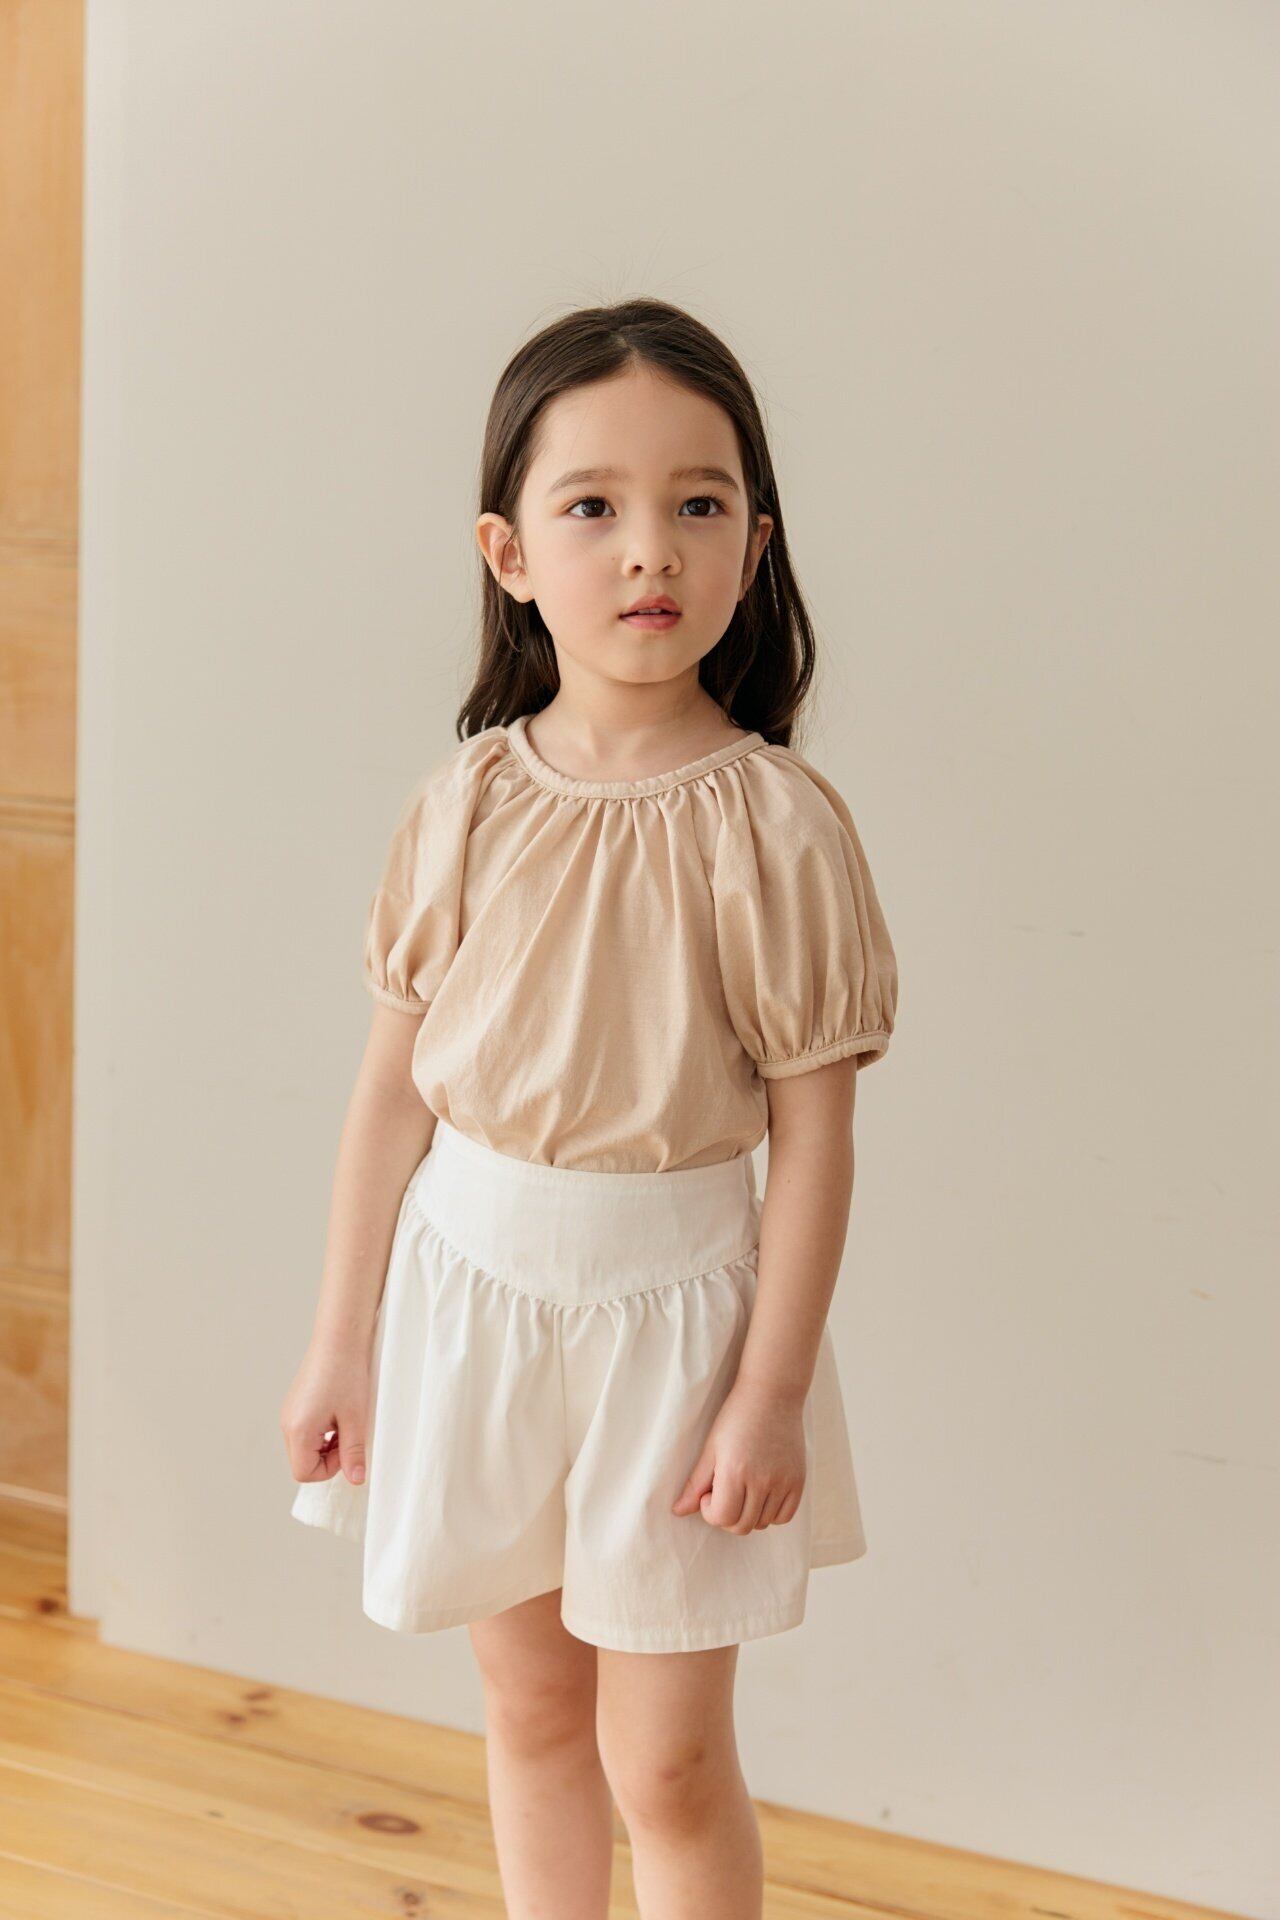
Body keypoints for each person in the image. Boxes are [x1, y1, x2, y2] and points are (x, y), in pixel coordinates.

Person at [280, 296, 900, 1920]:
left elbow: (817, 1140)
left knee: (666, 1762)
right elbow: (387, 1101)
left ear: (754, 545)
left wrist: (769, 1396)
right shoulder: (466, 806)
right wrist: (342, 1343)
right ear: (508, 552)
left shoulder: (776, 827)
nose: (648, 551)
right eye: (592, 506)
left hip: (677, 1327)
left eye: (698, 503)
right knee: (533, 1709)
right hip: (473, 1305)